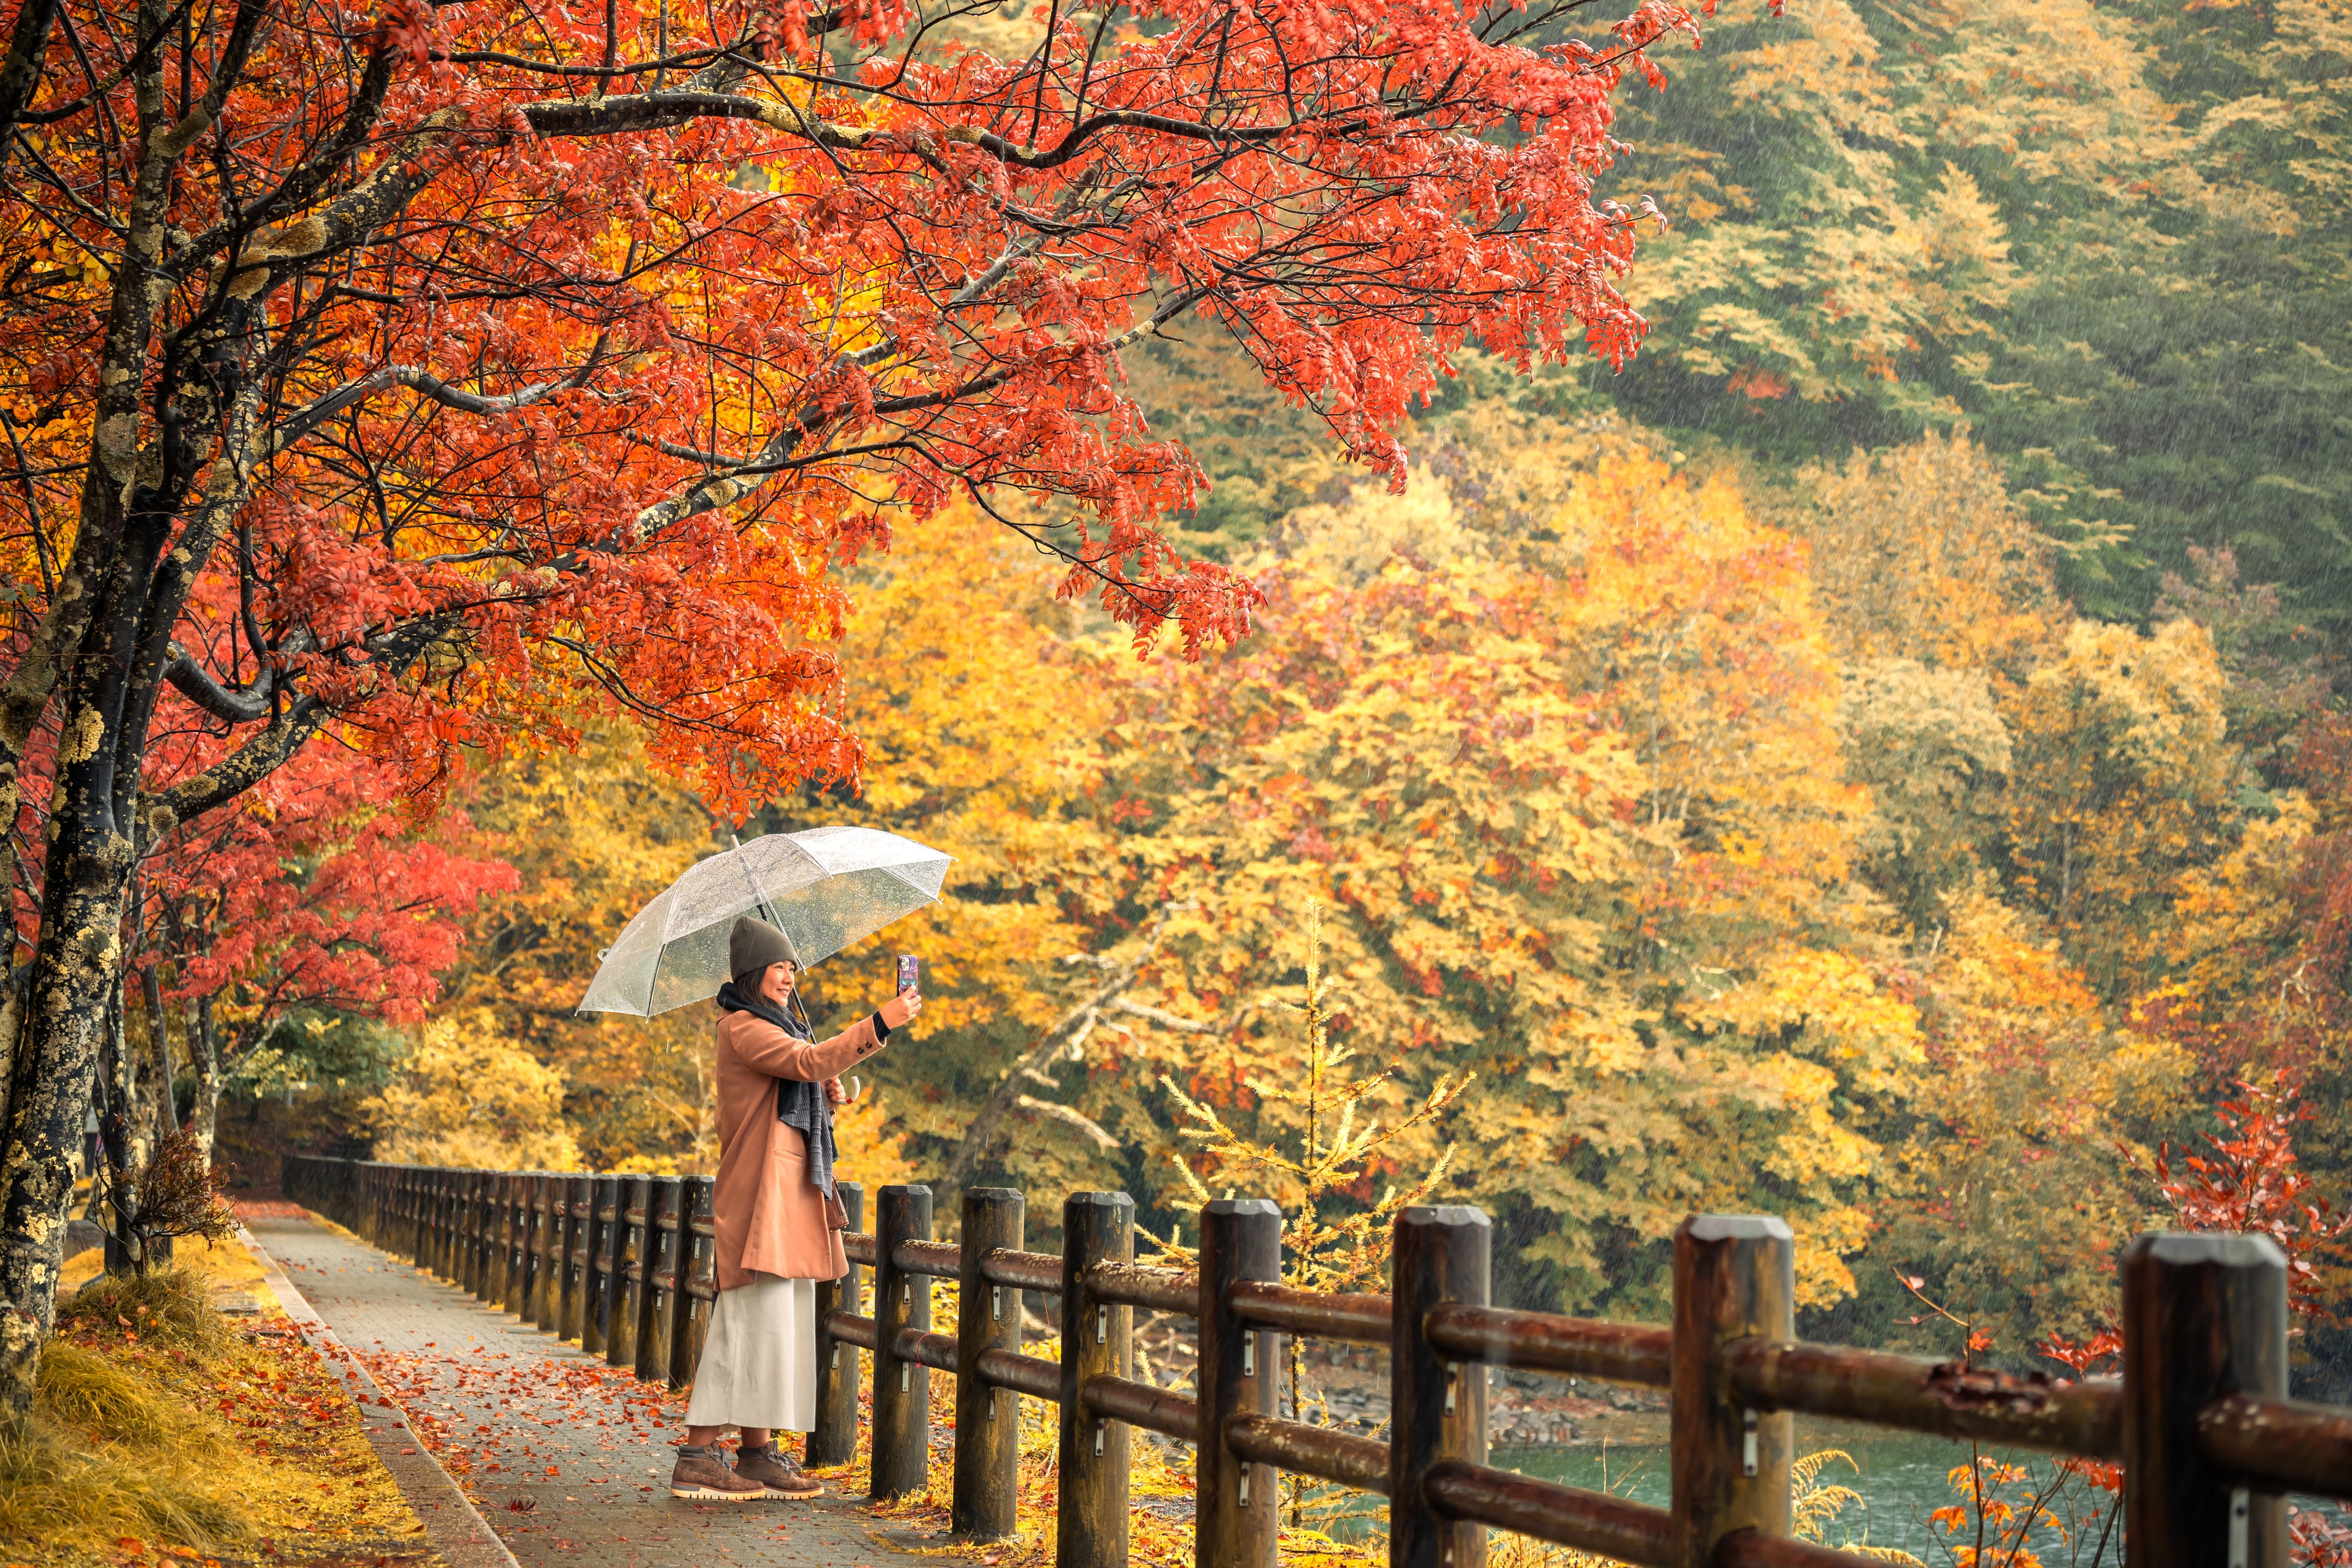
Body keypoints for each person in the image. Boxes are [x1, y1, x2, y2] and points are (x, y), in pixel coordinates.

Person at [669, 916, 922, 1501]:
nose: (788, 977)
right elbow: (805, 1063)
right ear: (753, 973)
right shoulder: (743, 1027)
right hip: (760, 1195)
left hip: (784, 1196)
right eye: (779, 967)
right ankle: (697, 1458)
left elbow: (801, 1074)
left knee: (773, 1326)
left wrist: (825, 1094)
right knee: (744, 1325)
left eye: (791, 968)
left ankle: (756, 1456)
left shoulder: (777, 1027)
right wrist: (880, 1023)